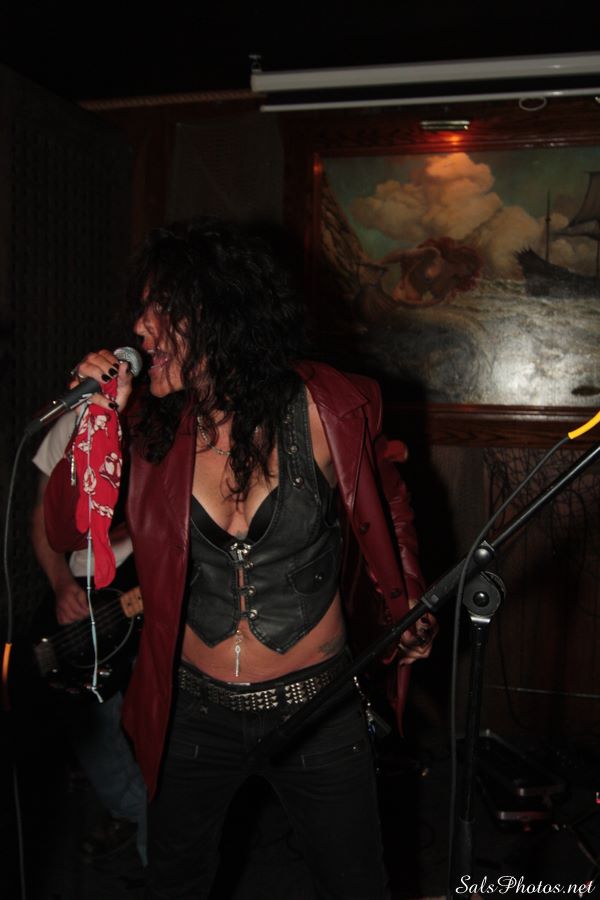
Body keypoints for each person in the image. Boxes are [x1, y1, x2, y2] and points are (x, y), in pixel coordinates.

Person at [44, 217, 437, 900]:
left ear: (219, 313)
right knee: (176, 883)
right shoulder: (145, 430)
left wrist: (406, 596)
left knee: (354, 884)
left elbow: (387, 499)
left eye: (161, 308)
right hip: (195, 711)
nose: (139, 328)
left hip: (316, 707)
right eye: (140, 308)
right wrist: (95, 426)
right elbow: (67, 531)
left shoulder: (325, 407)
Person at [31, 410, 147, 866]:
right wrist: (61, 584)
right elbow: (42, 516)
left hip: (145, 583)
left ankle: (155, 830)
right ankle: (133, 812)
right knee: (93, 722)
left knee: (159, 724)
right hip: (89, 594)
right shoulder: (70, 424)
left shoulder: (161, 423)